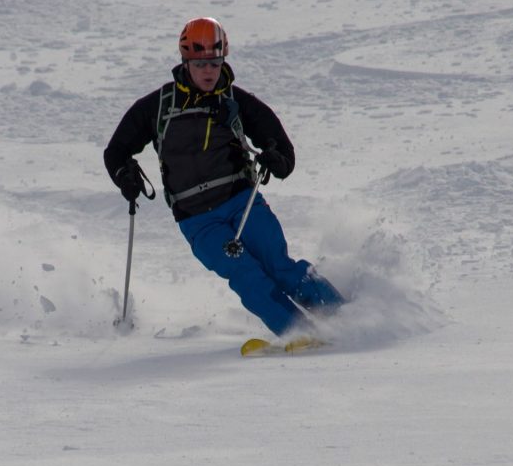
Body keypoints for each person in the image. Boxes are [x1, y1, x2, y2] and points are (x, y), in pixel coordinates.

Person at [103, 17, 344, 338]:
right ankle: (299, 334)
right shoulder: (158, 106)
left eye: (215, 63)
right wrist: (125, 176)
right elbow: (116, 151)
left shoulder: (236, 101)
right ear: (185, 62)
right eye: (200, 64)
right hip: (196, 219)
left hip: (241, 202)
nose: (209, 71)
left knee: (277, 265)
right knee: (246, 276)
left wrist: (275, 158)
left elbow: (282, 149)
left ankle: (346, 317)